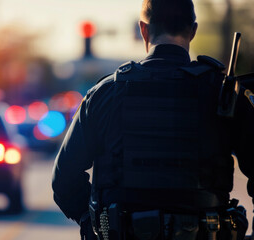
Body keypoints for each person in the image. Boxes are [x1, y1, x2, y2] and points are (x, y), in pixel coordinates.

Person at [52, 0, 254, 239]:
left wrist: (94, 225)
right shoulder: (224, 94)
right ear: (193, 30)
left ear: (143, 30)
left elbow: (64, 179)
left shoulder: (105, 94)